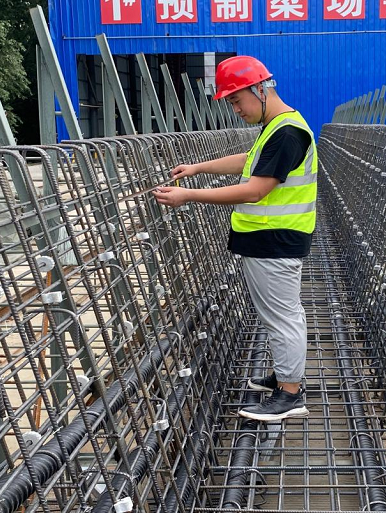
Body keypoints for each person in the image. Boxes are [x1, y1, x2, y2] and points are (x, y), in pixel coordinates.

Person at [152, 55, 317, 422]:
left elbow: (255, 190)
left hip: (275, 240)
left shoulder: (287, 132)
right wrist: (198, 168)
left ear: (260, 89)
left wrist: (189, 195)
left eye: (237, 100)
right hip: (268, 240)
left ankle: (290, 394)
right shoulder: (276, 127)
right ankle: (286, 376)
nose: (237, 110)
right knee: (279, 314)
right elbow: (249, 160)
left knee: (282, 317)